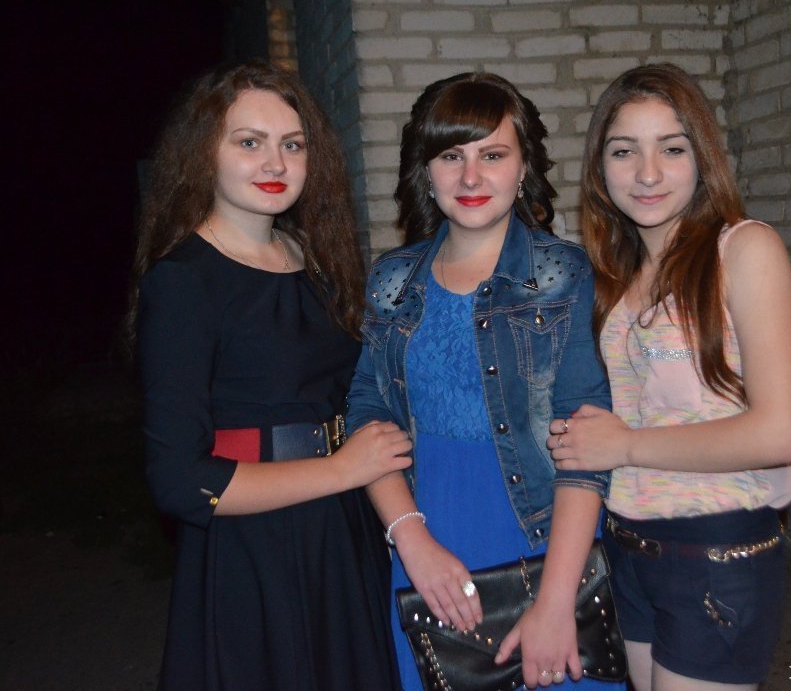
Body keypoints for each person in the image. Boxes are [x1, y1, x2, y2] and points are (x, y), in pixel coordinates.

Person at [129, 60, 412, 690]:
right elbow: (180, 480)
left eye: (293, 144)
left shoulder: (314, 258)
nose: (275, 164)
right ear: (205, 152)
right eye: (249, 142)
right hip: (253, 547)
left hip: (342, 529)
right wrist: (342, 470)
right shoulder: (184, 281)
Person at [345, 72, 625, 691]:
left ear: (523, 167)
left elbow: (586, 444)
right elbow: (369, 413)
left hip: (546, 543)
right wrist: (410, 539)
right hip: (425, 540)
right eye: (452, 156)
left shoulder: (564, 276)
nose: (471, 178)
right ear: (426, 170)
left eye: (493, 155)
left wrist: (556, 603)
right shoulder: (392, 280)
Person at [549, 63, 791, 691]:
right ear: (599, 167)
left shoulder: (743, 250)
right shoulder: (617, 275)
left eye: (671, 148)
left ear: (702, 156)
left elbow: (780, 434)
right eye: (623, 151)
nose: (647, 173)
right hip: (630, 549)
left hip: (716, 553)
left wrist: (625, 445)